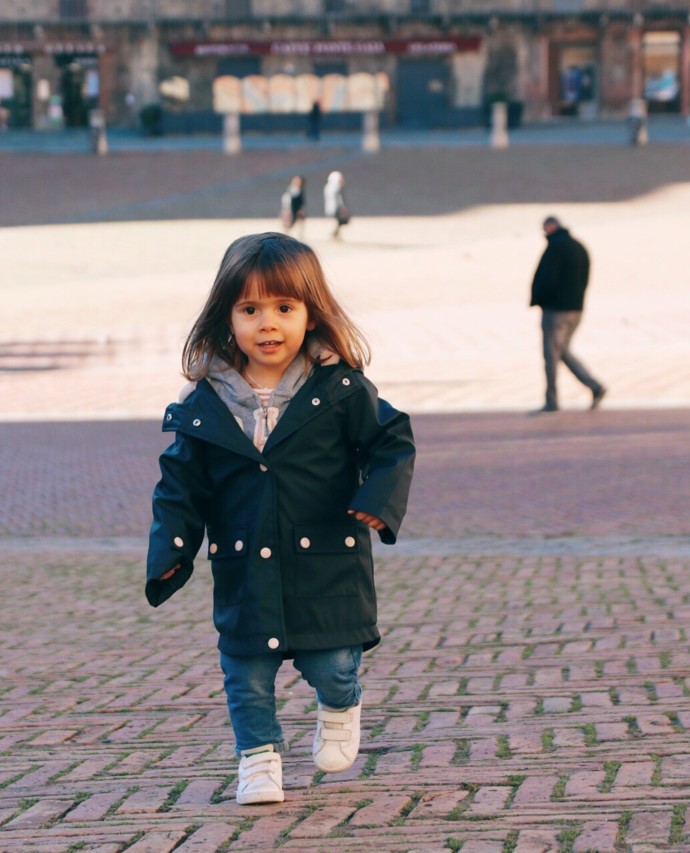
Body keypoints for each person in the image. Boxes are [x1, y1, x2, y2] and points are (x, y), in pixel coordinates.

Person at [146, 232, 415, 805]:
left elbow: (392, 441)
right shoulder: (204, 404)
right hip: (245, 568)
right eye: (250, 310)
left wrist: (380, 496)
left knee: (334, 665)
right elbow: (179, 487)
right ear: (227, 317)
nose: (268, 325)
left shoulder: (340, 389)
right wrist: (171, 553)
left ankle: (340, 707)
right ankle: (258, 760)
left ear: (310, 312)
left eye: (284, 308)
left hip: (326, 564)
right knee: (246, 674)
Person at [529, 216, 606, 413]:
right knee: (562, 350)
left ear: (552, 226)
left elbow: (547, 278)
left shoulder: (555, 248)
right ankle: (594, 386)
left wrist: (540, 299)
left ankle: (552, 400)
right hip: (576, 309)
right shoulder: (579, 247)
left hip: (556, 311)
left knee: (551, 355)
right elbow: (585, 277)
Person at [323, 170, 349, 240]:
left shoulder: (328, 187)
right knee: (340, 221)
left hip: (332, 207)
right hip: (336, 208)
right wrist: (343, 207)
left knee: (339, 222)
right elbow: (339, 199)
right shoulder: (336, 188)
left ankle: (336, 234)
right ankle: (335, 234)